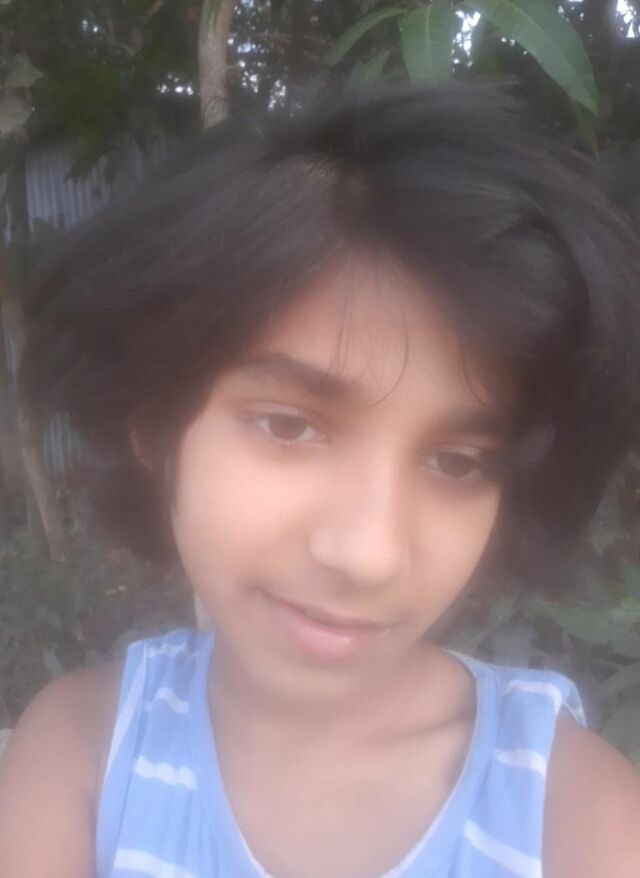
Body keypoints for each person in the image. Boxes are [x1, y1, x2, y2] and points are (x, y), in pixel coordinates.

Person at [1, 80, 640, 878]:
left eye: (457, 462)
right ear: (153, 424)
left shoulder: (576, 819)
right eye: (290, 425)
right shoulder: (85, 755)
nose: (367, 554)